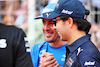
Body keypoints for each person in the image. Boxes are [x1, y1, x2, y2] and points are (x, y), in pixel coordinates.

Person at [40, 0, 100, 67]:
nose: (55, 27)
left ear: (69, 22)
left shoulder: (86, 55)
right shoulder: (76, 48)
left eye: (55, 22)